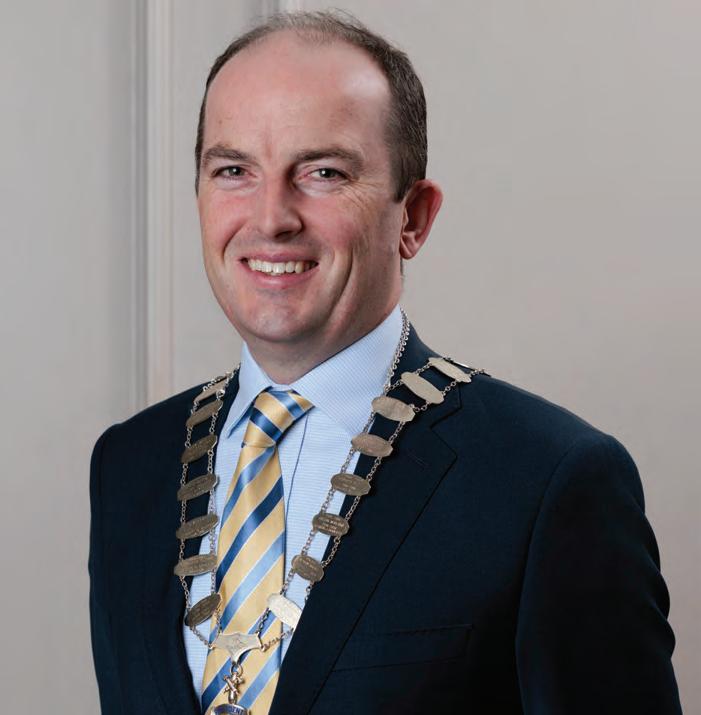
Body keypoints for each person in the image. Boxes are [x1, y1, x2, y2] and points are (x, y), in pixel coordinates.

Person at [89, 11, 682, 715]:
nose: (271, 217)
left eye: (323, 172)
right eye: (233, 170)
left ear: (413, 218)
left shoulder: (547, 480)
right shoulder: (131, 465)